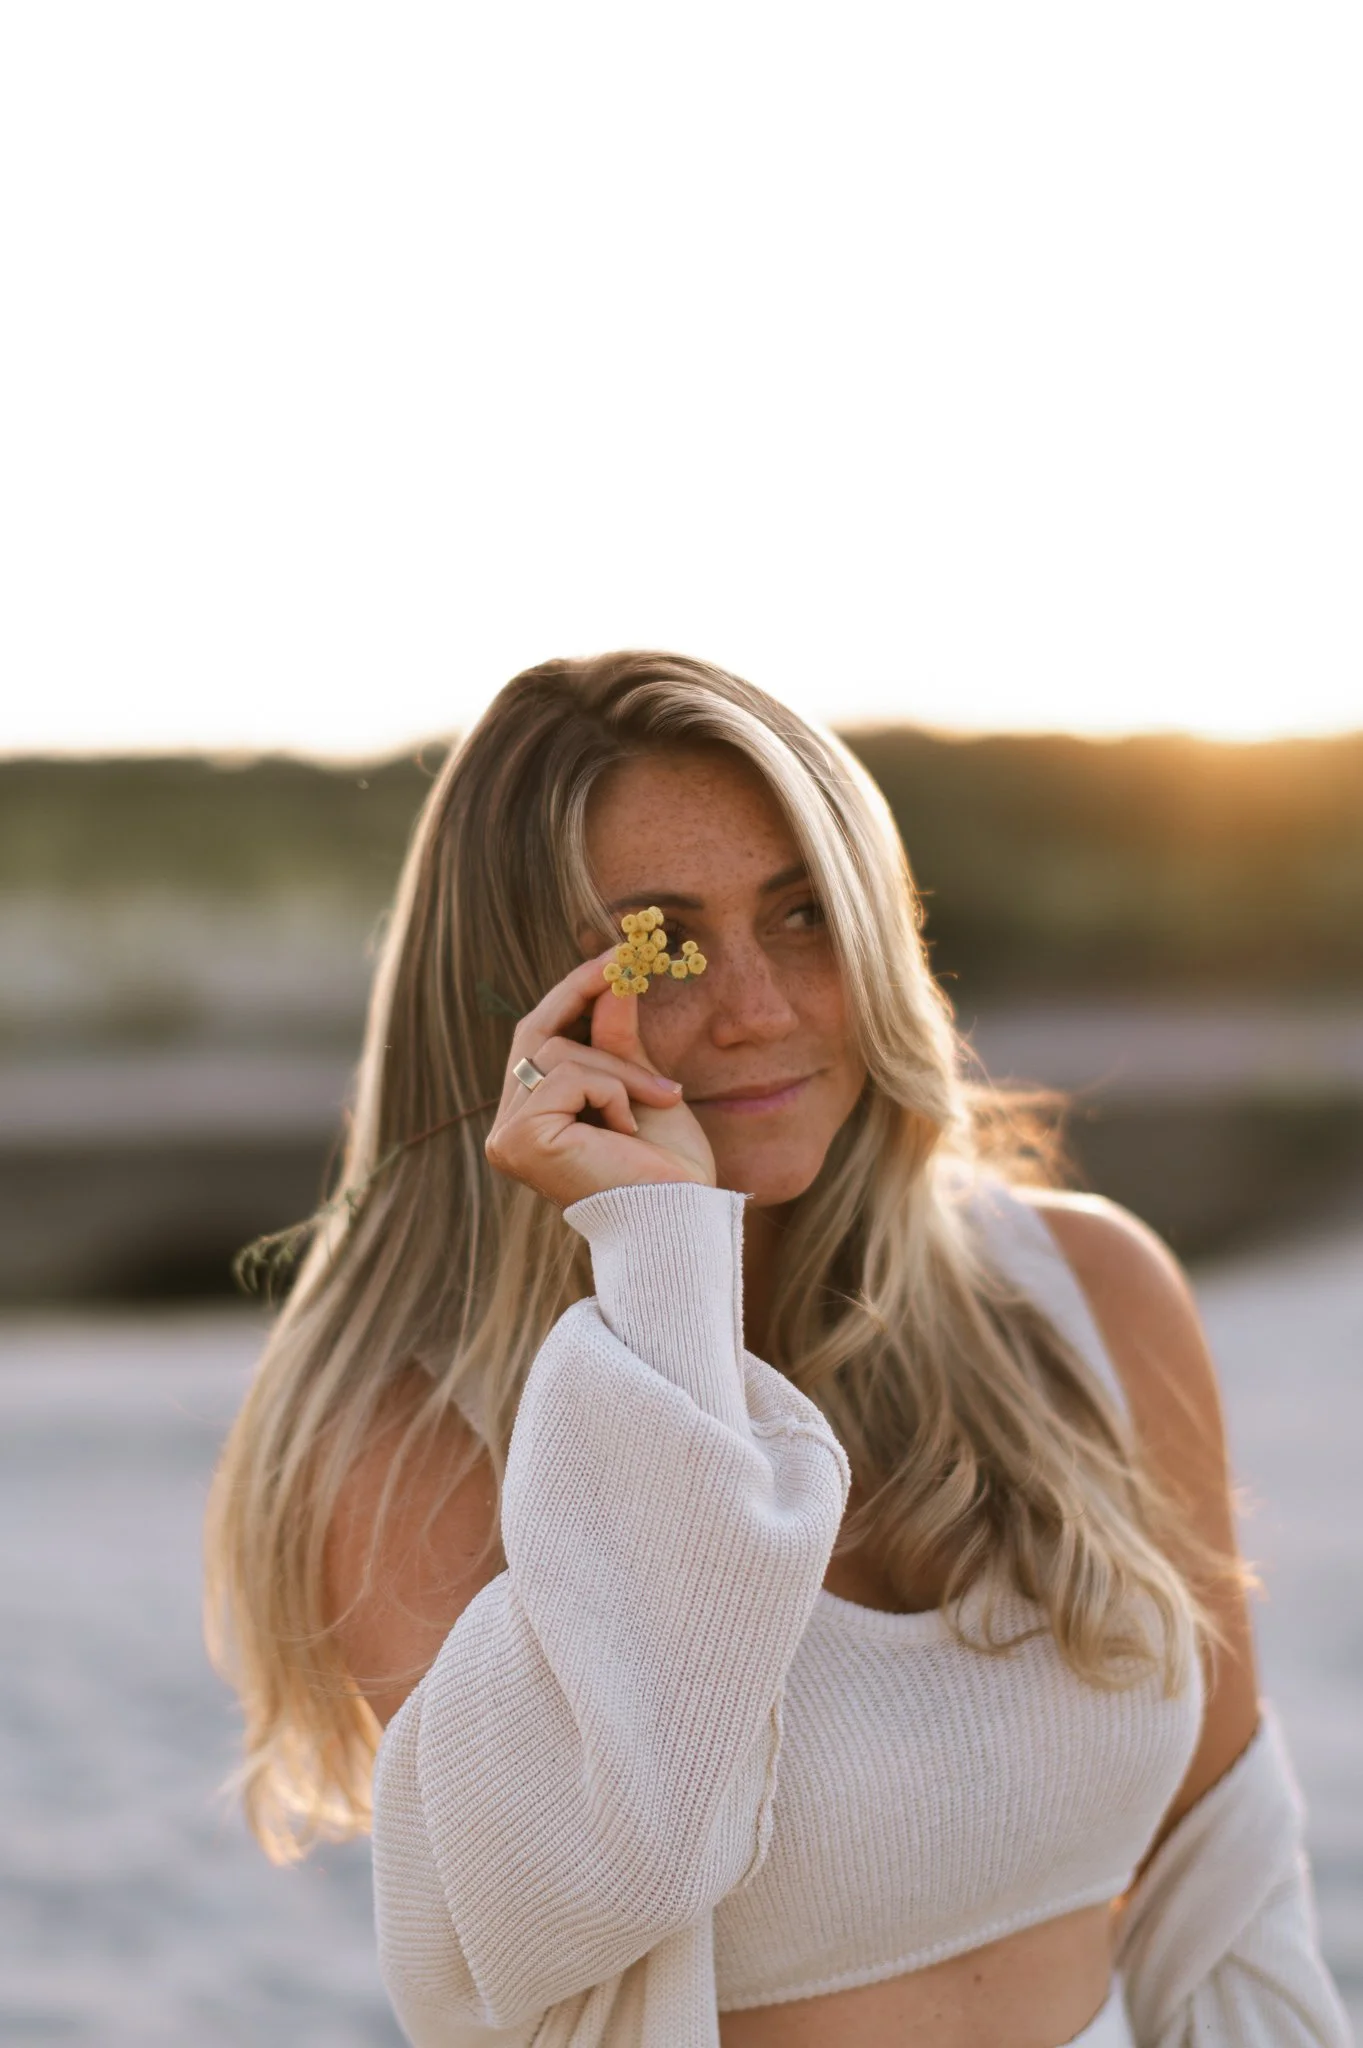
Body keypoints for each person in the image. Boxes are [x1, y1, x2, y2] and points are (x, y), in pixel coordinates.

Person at [205, 650, 1351, 2048]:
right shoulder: (416, 1447)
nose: (757, 1005)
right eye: (658, 944)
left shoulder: (1086, 1290)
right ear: (520, 997)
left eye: (805, 915)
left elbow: (1226, 1882)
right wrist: (659, 1252)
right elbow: (608, 1871)